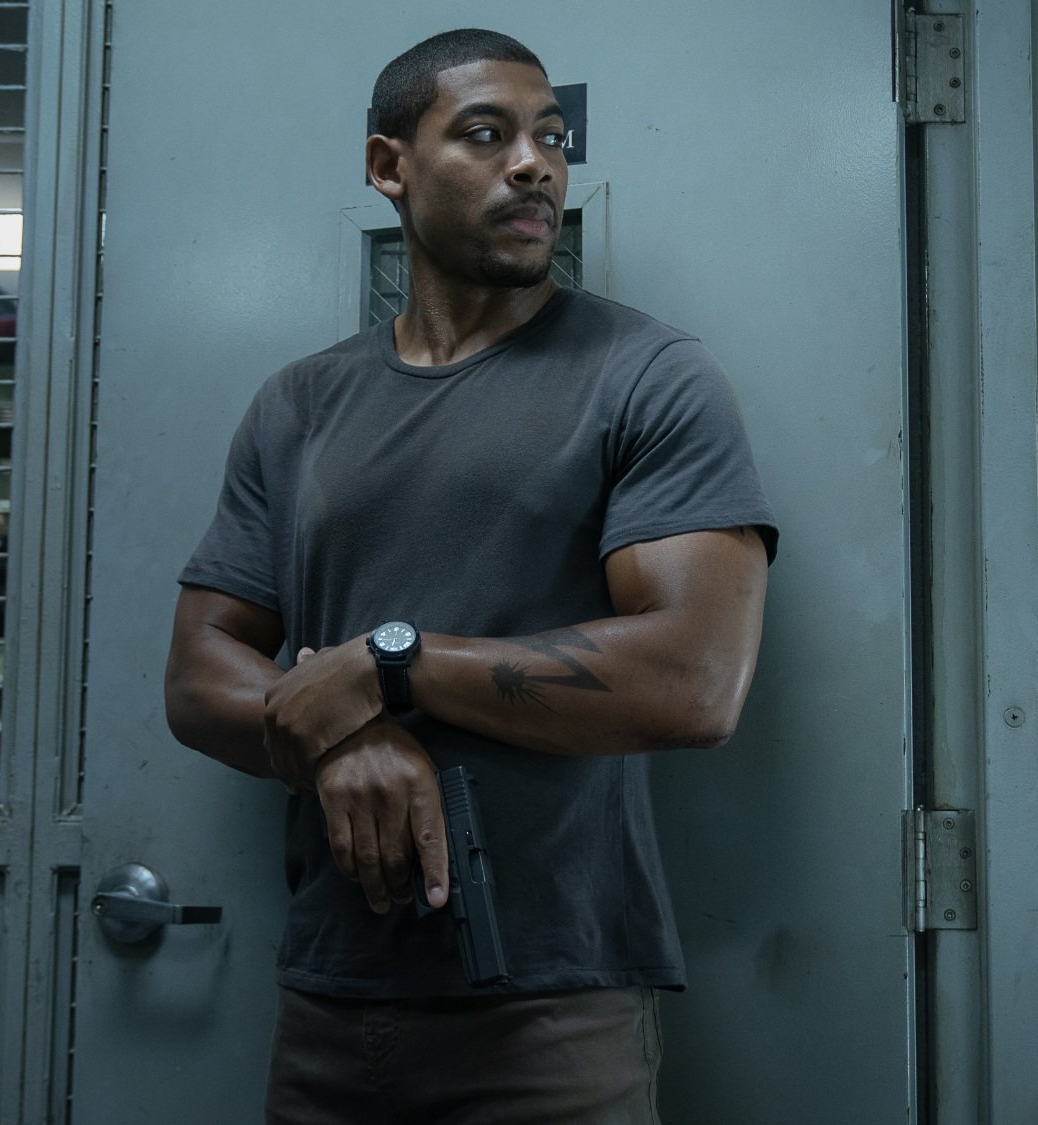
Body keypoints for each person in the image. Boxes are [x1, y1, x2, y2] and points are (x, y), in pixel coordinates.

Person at [163, 27, 777, 1124]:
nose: (533, 162)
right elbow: (199, 673)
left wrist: (388, 667)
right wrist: (338, 734)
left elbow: (695, 679)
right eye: (485, 134)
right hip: (328, 999)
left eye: (549, 136)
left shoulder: (645, 376)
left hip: (550, 1011)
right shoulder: (298, 405)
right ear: (387, 167)